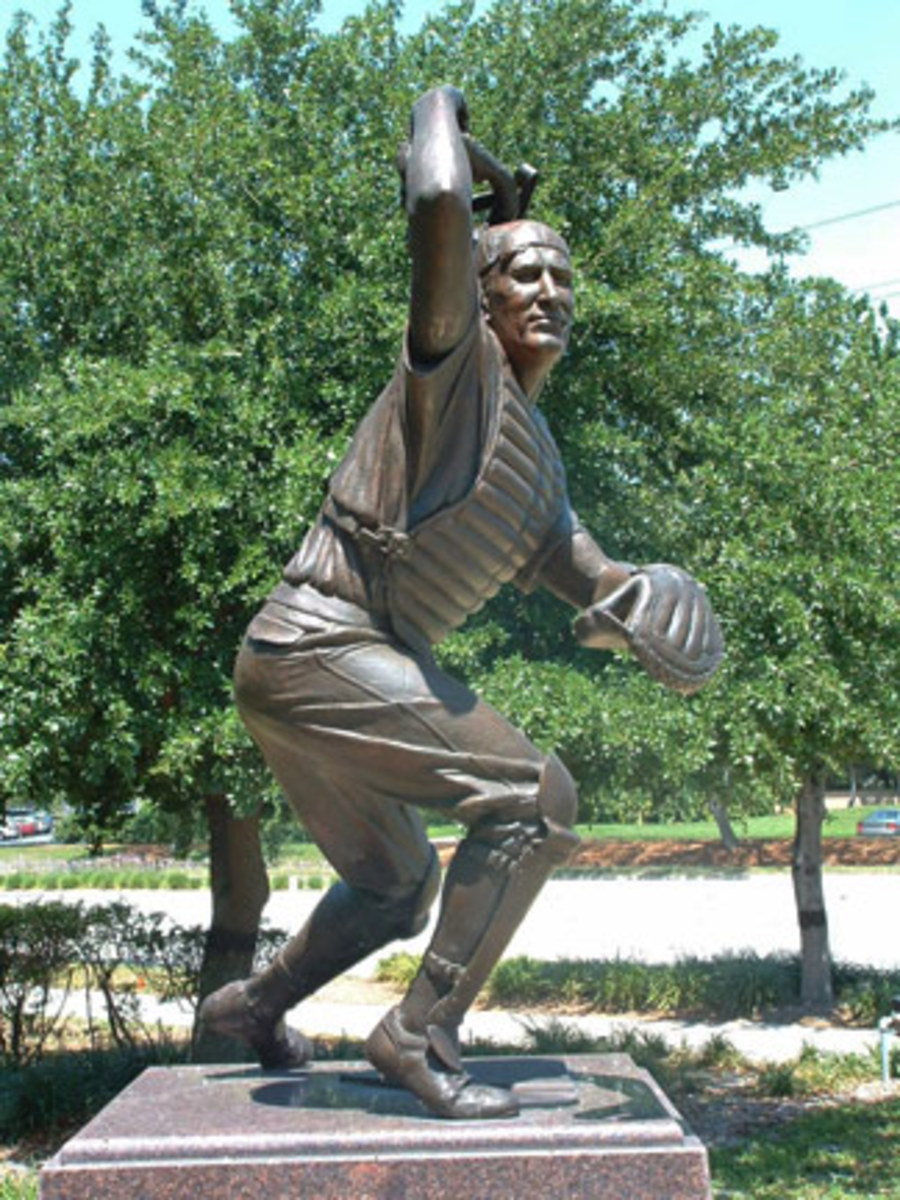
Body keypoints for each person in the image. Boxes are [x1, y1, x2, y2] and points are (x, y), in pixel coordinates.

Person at [199, 85, 722, 1119]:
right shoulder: (453, 370)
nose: (551, 292)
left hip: (313, 665)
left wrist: (657, 604)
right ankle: (416, 1032)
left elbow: (593, 577)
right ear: (478, 297)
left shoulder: (537, 461)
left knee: (395, 883)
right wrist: (454, 127)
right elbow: (436, 192)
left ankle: (249, 1009)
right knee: (535, 798)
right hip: (320, 641)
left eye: (565, 278)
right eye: (525, 271)